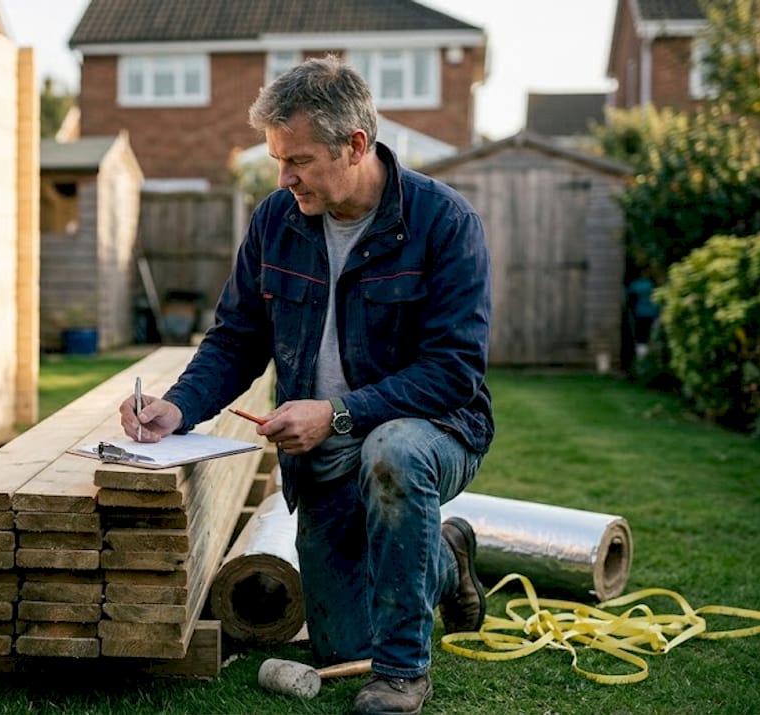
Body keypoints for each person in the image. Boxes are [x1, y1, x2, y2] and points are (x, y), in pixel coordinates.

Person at [119, 55, 493, 715]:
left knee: (395, 451)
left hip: (430, 433)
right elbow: (237, 338)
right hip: (324, 456)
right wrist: (177, 407)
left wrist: (340, 414)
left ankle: (404, 673)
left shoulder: (443, 222)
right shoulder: (275, 222)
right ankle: (445, 552)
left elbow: (453, 370)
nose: (283, 177)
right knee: (340, 643)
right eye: (276, 160)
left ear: (354, 145)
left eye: (298, 160)